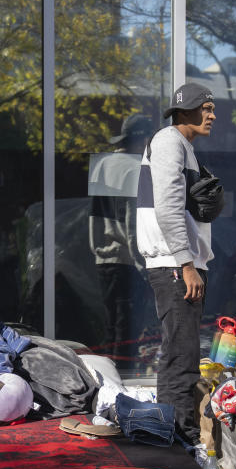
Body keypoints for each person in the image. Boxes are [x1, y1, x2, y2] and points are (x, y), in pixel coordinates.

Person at [136, 82, 216, 468]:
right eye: (205, 107)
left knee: (179, 352)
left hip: (176, 261)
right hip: (173, 264)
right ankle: (181, 444)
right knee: (181, 354)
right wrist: (186, 263)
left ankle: (172, 439)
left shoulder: (181, 146)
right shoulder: (170, 141)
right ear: (184, 111)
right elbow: (168, 206)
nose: (212, 114)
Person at [88, 113, 155, 366]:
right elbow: (132, 224)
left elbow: (95, 214)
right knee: (127, 329)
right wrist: (143, 264)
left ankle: (108, 377)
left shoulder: (102, 164)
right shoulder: (135, 168)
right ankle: (123, 379)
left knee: (110, 324)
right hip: (126, 259)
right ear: (144, 140)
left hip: (103, 256)